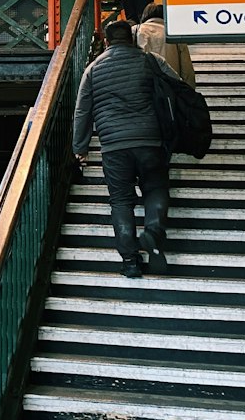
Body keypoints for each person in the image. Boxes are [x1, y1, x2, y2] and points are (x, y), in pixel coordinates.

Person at [72, 18, 175, 277]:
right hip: (150, 139)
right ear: (131, 39)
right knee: (155, 188)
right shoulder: (152, 61)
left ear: (106, 42)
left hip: (113, 146)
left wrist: (80, 147)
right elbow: (178, 86)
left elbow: (82, 111)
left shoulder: (93, 70)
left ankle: (130, 261)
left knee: (120, 201)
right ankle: (152, 230)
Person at [137, 3, 196, 87]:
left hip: (143, 88)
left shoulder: (135, 31)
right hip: (171, 88)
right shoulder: (174, 34)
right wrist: (188, 90)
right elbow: (186, 69)